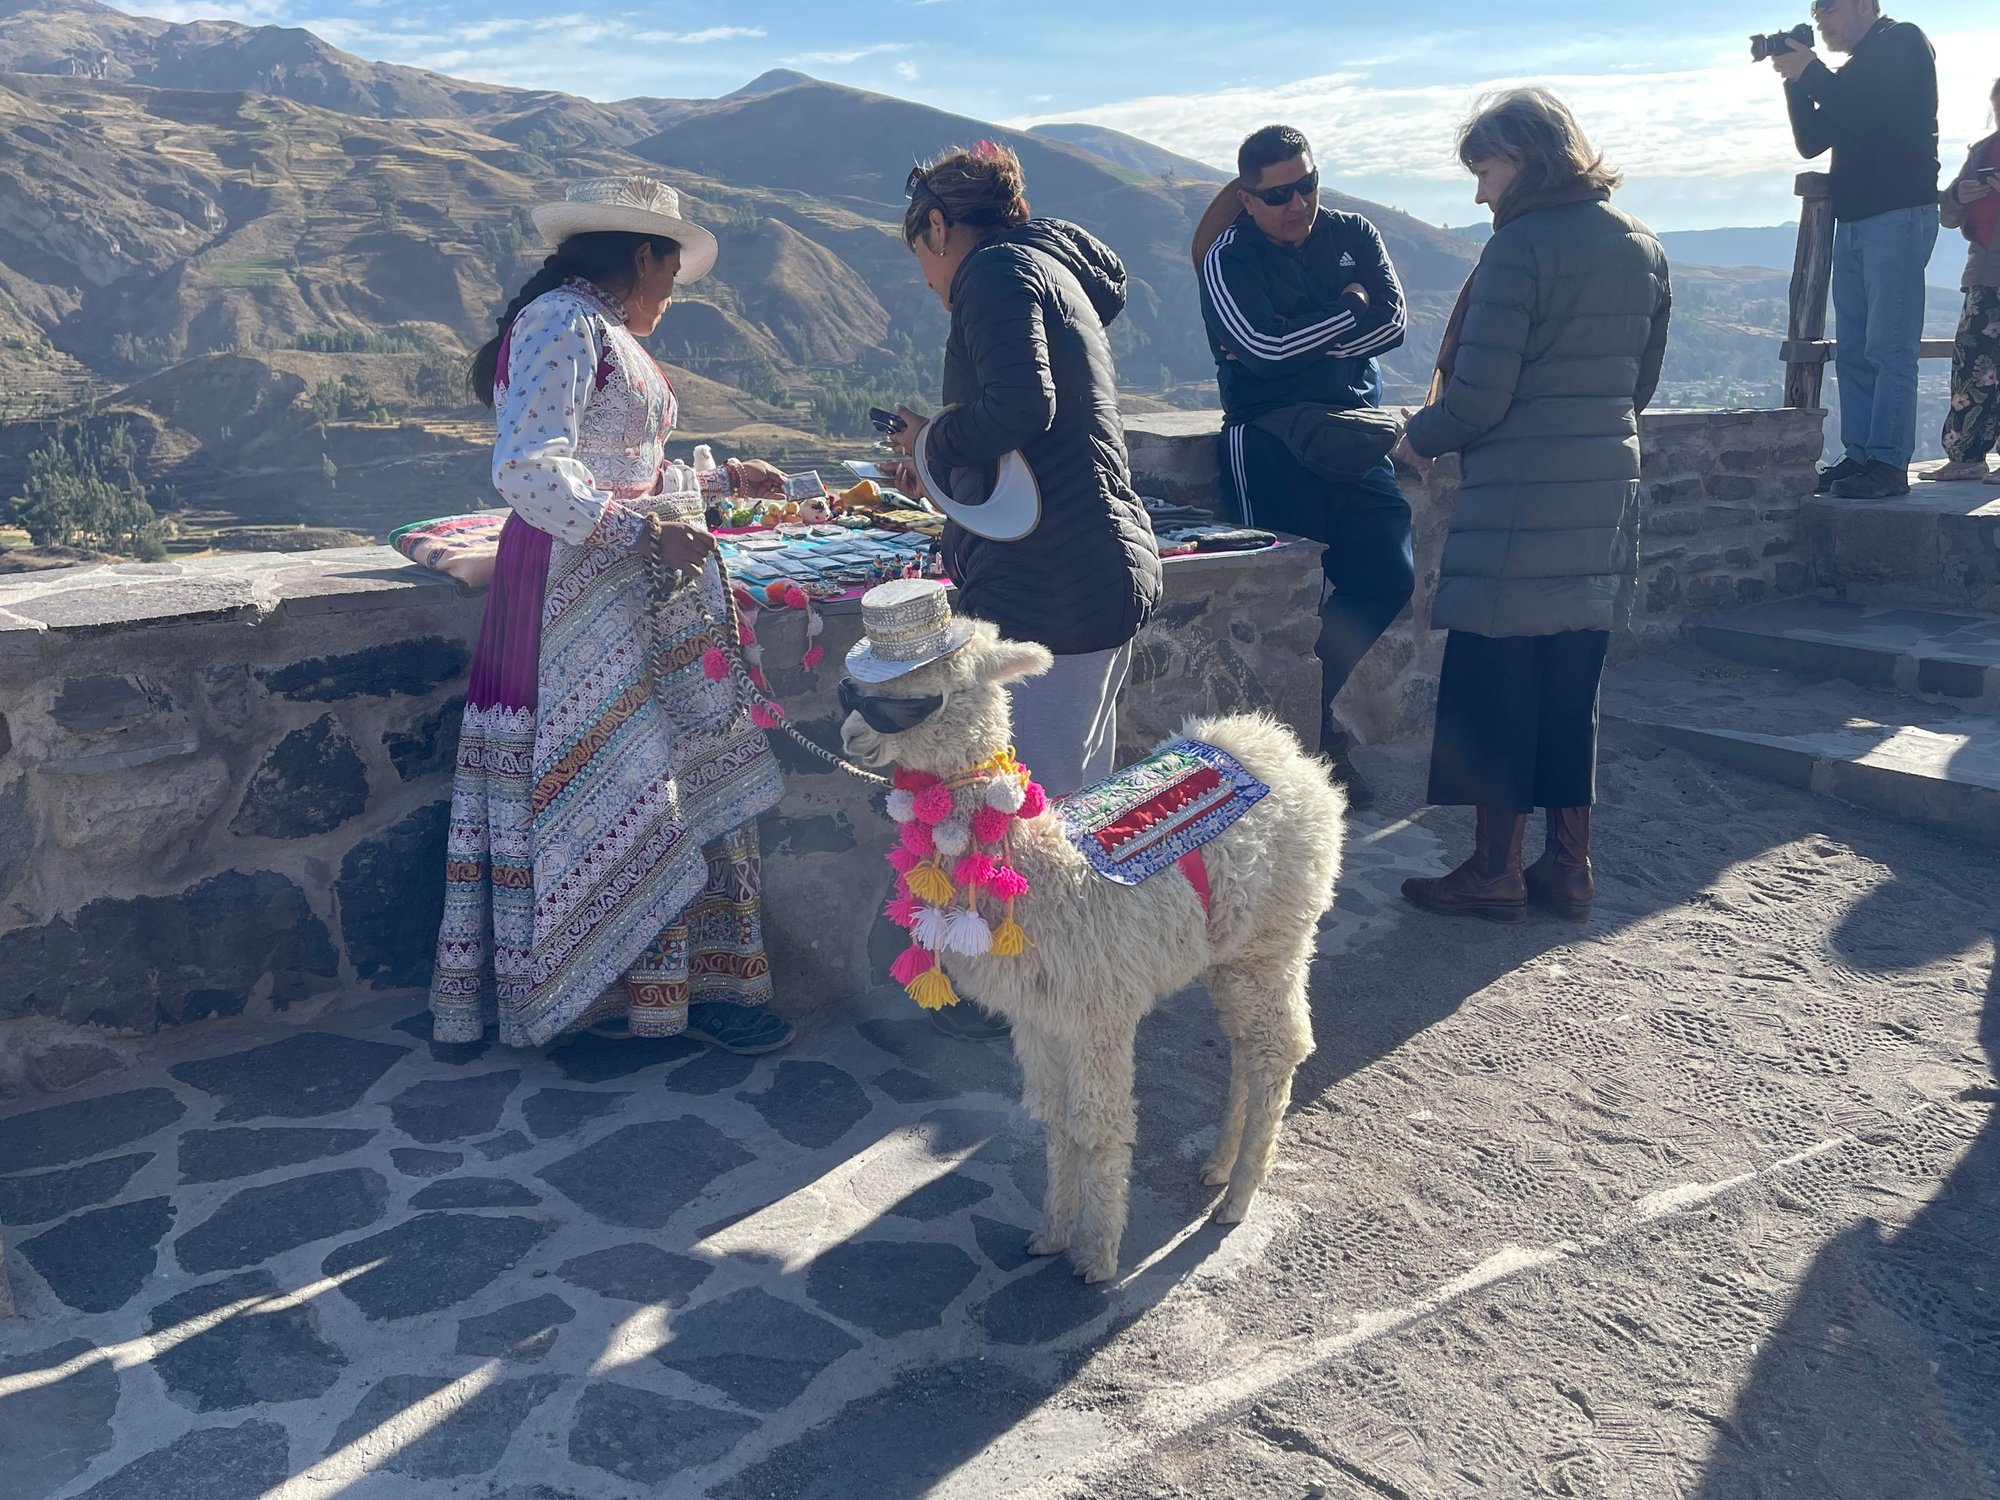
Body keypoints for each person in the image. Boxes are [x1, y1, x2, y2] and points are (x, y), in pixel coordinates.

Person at [429, 176, 797, 1054]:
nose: (673, 294)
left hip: (628, 587)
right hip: (573, 594)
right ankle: (586, 1007)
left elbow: (617, 461)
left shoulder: (598, 330)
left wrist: (710, 484)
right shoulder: (563, 321)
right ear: (642, 256)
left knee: (660, 788)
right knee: (600, 789)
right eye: (670, 274)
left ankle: (679, 992)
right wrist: (640, 536)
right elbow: (528, 469)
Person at [886, 140, 1162, 1041]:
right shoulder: (1045, 268)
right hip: (1094, 567)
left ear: (938, 226)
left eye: (920, 255)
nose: (927, 281)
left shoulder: (995, 273)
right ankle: (1085, 971)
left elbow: (1022, 407)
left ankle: (1038, 987)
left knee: (1037, 801)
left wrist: (932, 438)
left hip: (1055, 579)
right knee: (1081, 795)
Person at [1394, 90, 1672, 926]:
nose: (1482, 192)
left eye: (1486, 169)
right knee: (1568, 681)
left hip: (1519, 504)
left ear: (1527, 156)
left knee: (1497, 684)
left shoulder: (1520, 250)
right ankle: (1570, 867)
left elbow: (1479, 396)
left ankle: (1492, 871)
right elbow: (1641, 386)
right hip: (1601, 499)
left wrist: (1418, 438)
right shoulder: (1644, 247)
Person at [1190, 124, 1414, 808]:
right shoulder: (1230, 256)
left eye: (1307, 184)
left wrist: (1307, 335)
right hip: (1268, 444)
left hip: (1352, 436)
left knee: (1386, 576)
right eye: (1279, 193)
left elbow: (1395, 324)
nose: (1298, 203)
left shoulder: (1354, 233)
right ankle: (1302, 746)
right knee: (1285, 598)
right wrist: (1348, 307)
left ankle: (1311, 714)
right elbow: (1260, 348)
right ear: (1247, 198)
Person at [1772, 0, 1939, 499]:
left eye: (1830, 9)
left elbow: (1867, 110)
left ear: (1866, 6)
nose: (1821, 20)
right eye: (1817, 11)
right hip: (1858, 220)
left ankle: (1887, 463)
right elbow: (1812, 141)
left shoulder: (1902, 42)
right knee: (1855, 351)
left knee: (1889, 348)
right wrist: (1794, 80)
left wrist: (1812, 71)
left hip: (1898, 214)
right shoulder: (1849, 73)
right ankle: (1862, 455)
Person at [1921, 77, 2000, 484]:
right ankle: (1966, 455)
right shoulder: (1983, 151)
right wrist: (1958, 196)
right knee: (1971, 364)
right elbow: (1948, 217)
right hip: (1985, 274)